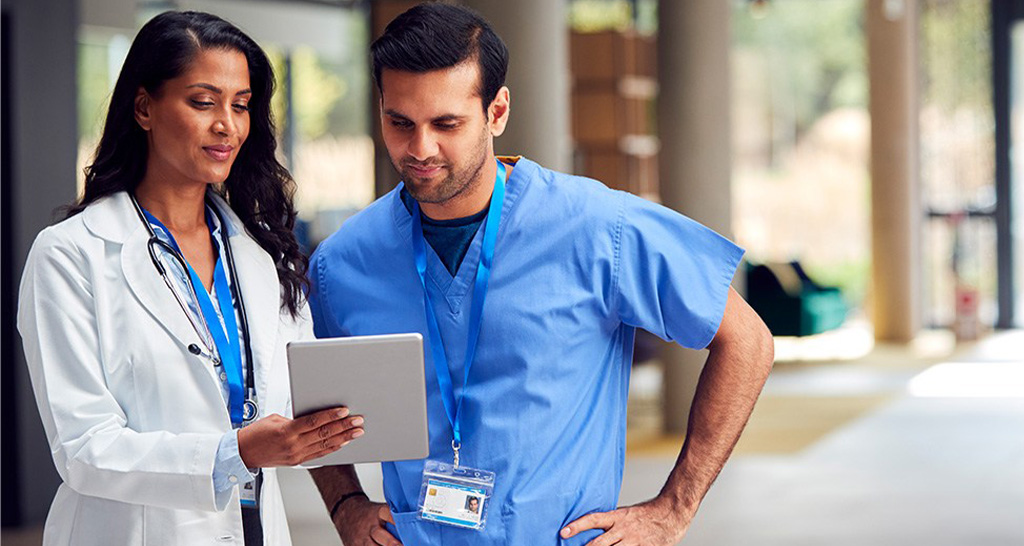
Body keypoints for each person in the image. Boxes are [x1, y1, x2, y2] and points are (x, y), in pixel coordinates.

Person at [307, 3, 774, 546]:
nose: (420, 149)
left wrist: (674, 507)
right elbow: (304, 399)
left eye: (447, 124)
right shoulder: (342, 262)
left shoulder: (599, 227)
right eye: (400, 123)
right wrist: (345, 504)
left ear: (497, 112)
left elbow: (748, 342)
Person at [17, 11, 364, 546]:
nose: (227, 124)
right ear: (144, 107)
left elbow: (299, 393)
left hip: (255, 529)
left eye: (241, 105)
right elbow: (83, 447)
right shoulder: (71, 256)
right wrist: (236, 453)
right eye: (203, 102)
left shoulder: (261, 253)